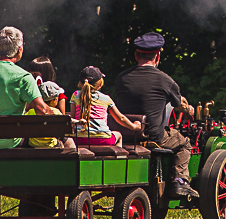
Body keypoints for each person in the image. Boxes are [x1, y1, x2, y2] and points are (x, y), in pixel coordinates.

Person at [113, 32, 199, 201]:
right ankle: (180, 181)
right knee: (185, 143)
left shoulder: (121, 78)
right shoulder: (166, 81)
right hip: (154, 136)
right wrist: (189, 109)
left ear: (136, 55)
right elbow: (178, 105)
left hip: (126, 136)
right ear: (158, 55)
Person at [70, 66, 141, 146]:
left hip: (79, 139)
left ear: (80, 83)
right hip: (103, 139)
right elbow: (120, 118)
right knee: (119, 135)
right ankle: (117, 157)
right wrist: (134, 127)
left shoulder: (75, 95)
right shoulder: (106, 98)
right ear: (100, 84)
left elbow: (72, 118)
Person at [27, 56, 74, 150]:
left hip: (49, 135)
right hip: (34, 134)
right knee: (70, 143)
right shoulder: (28, 91)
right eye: (30, 74)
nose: (32, 77)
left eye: (35, 74)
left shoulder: (57, 93)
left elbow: (60, 116)